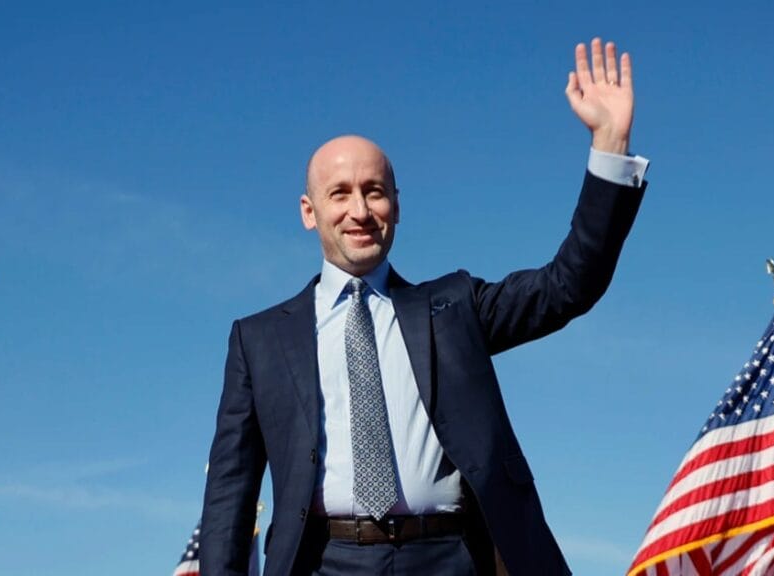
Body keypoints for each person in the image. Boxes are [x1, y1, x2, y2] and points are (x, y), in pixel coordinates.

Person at [199, 38, 649, 576]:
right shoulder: (258, 340)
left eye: (374, 191)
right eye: (339, 194)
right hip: (323, 562)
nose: (360, 210)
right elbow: (230, 489)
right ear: (309, 211)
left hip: (451, 557)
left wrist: (610, 145)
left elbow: (568, 285)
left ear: (396, 205)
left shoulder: (454, 308)